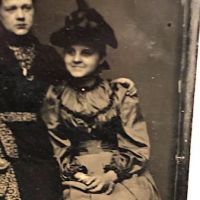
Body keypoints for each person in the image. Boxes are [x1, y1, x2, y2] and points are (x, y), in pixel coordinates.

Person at [42, 0, 161, 199]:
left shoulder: (120, 93)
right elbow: (57, 147)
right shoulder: (55, 96)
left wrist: (110, 175)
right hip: (78, 176)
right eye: (70, 51)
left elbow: (136, 146)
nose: (76, 59)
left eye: (86, 53)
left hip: (121, 174)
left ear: (102, 57)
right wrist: (80, 176)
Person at [0, 0, 67, 199]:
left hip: (39, 143)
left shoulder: (48, 56)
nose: (20, 16)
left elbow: (72, 94)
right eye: (11, 9)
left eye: (26, 7)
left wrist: (115, 86)